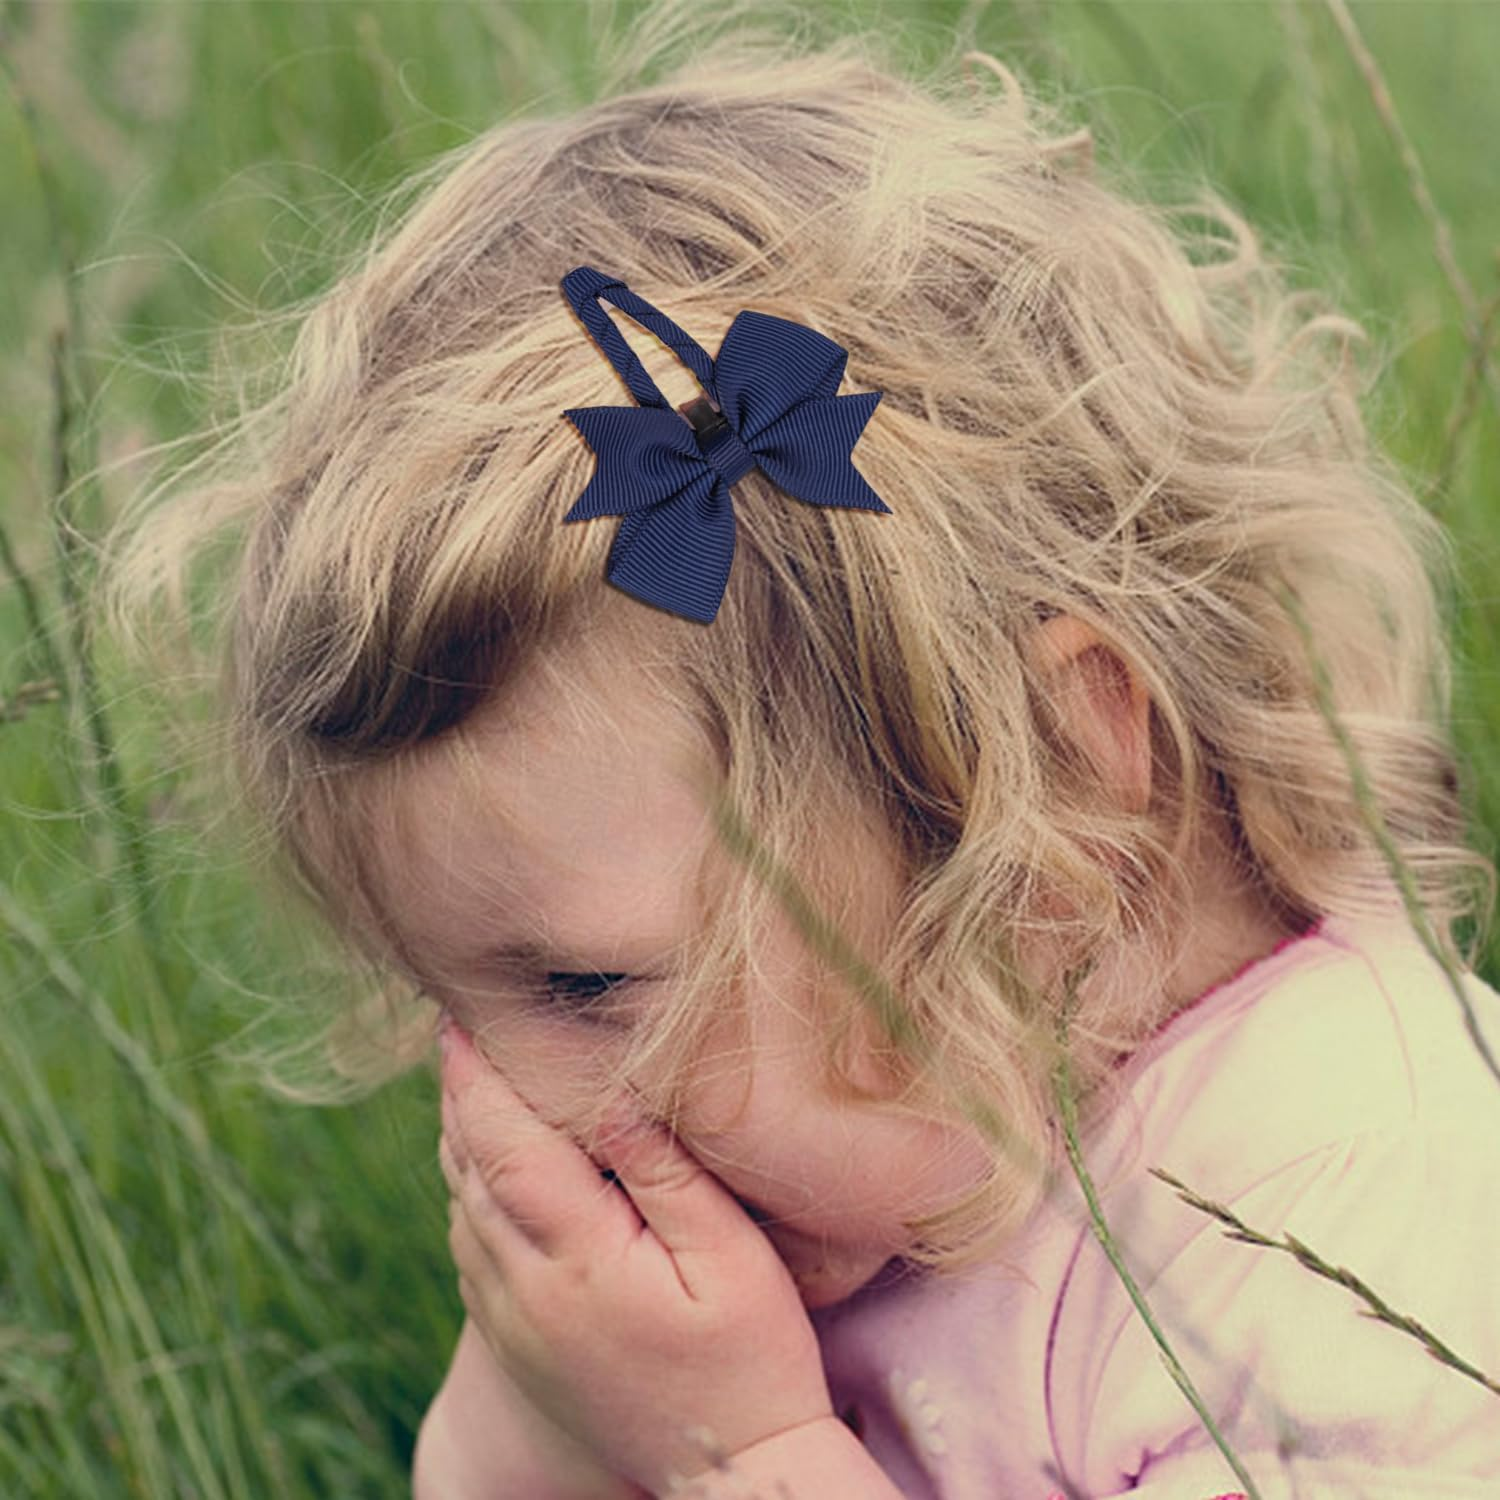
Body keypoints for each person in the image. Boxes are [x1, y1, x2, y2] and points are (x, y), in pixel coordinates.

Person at [101, 3, 1500, 1496]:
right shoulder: (862, 1169)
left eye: (589, 986)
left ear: (1053, 796)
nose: (508, 1110)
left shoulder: (1366, 1224)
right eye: (445, 999)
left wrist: (747, 1455)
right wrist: (562, 1398)